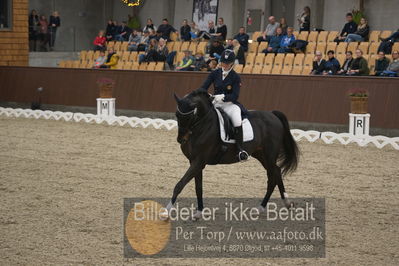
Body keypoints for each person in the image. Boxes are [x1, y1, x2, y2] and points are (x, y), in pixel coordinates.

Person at [200, 49, 249, 161]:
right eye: (223, 62)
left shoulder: (235, 77)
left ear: (232, 63)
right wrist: (203, 93)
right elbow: (204, 87)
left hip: (229, 104)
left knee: (237, 120)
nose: (225, 65)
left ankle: (240, 149)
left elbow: (235, 95)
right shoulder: (214, 73)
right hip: (215, 103)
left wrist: (222, 97)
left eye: (227, 63)